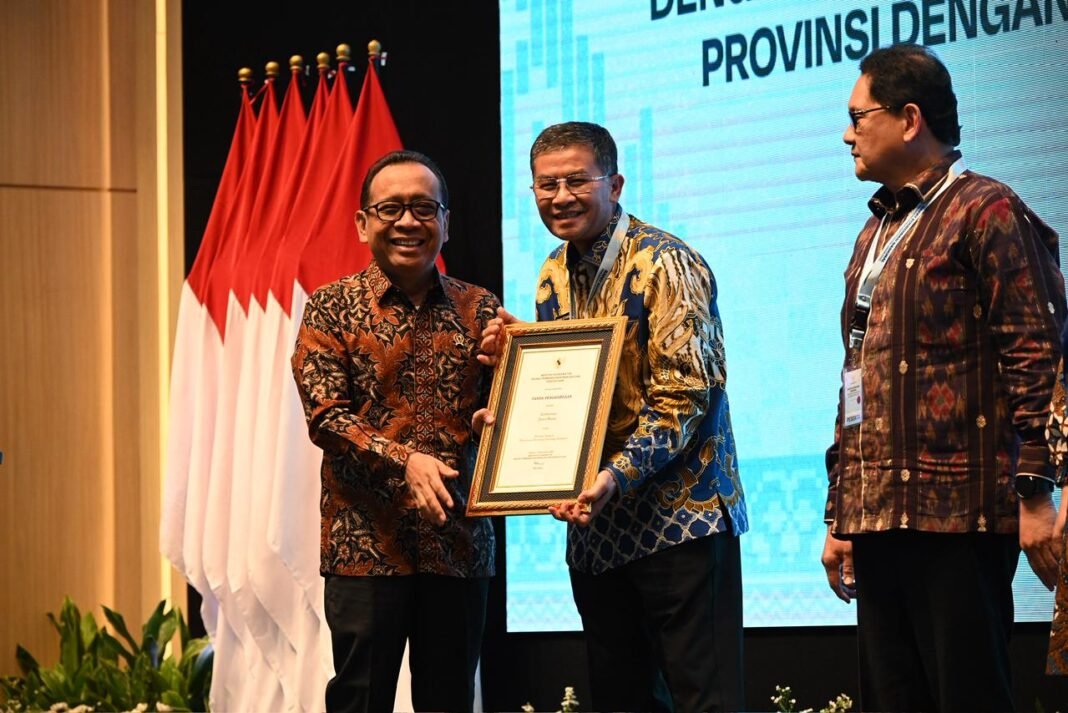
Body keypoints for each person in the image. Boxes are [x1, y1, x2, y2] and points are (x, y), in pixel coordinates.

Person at [820, 43, 1066, 712]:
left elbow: (1037, 355)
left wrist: (1040, 492)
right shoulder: (874, 234)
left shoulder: (986, 211)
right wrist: (842, 512)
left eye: (856, 115)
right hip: (878, 521)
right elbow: (855, 376)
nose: (847, 133)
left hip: (960, 518)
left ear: (907, 118)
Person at [478, 121, 748, 713]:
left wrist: (614, 475)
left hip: (682, 517)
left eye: (578, 180)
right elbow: (573, 389)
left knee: (707, 699)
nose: (561, 196)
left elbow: (687, 394)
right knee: (621, 699)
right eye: (546, 185)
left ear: (615, 183)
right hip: (597, 528)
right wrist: (511, 392)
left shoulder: (667, 264)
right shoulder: (552, 270)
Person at [292, 149, 498, 713]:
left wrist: (501, 415)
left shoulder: (482, 310)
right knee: (360, 700)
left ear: (446, 222)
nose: (409, 221)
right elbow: (327, 416)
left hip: (457, 544)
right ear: (363, 223)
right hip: (365, 542)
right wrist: (404, 459)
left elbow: (507, 413)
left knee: (451, 698)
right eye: (391, 208)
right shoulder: (330, 308)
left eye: (424, 208)